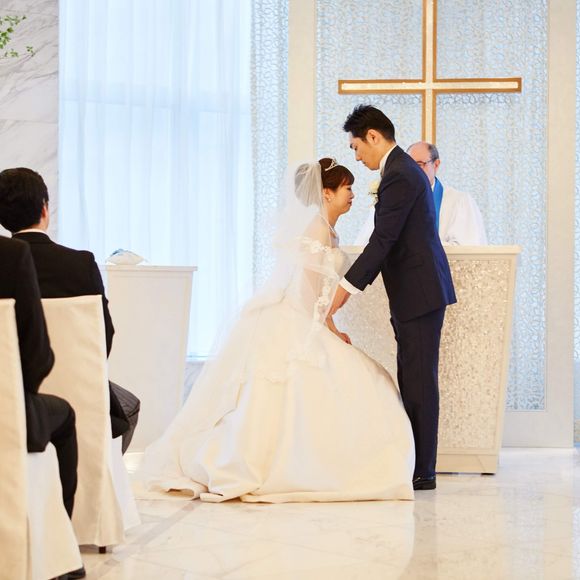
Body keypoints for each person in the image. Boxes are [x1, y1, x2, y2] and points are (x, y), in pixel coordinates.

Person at [138, 158, 415, 502]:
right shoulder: (316, 229)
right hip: (299, 318)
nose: (352, 194)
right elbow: (310, 292)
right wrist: (330, 328)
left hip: (310, 315)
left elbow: (320, 291)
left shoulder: (330, 231)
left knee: (364, 380)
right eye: (347, 187)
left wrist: (330, 323)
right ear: (326, 193)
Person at [331, 106, 457, 491]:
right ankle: (417, 464)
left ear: (373, 136)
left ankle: (424, 471)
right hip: (415, 293)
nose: (356, 157)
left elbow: (382, 240)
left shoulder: (400, 173)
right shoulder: (399, 171)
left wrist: (344, 290)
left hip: (420, 293)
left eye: (356, 147)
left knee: (418, 382)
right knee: (413, 378)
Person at [0, 168, 140, 454]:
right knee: (130, 406)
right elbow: (104, 336)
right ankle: (99, 474)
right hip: (77, 389)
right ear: (44, 209)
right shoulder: (80, 264)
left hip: (9, 389)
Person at [355, 141, 488, 246]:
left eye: (419, 164)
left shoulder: (459, 201)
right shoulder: (391, 197)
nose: (413, 170)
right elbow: (367, 242)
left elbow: (467, 247)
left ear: (436, 164)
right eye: (409, 165)